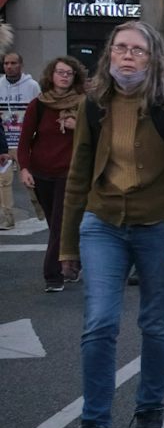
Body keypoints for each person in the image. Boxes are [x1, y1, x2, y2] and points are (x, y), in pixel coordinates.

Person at [60, 21, 164, 428]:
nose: (127, 56)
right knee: (99, 322)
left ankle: (149, 410)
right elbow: (78, 173)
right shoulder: (94, 103)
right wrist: (66, 246)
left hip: (158, 224)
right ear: (109, 54)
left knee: (155, 324)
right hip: (103, 223)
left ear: (152, 57)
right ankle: (94, 426)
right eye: (120, 48)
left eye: (137, 51)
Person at [19, 56, 87, 292]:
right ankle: (73, 262)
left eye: (69, 73)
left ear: (75, 77)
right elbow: (25, 139)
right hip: (41, 172)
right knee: (56, 225)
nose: (64, 76)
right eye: (60, 72)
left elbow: (98, 134)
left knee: (60, 224)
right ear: (51, 75)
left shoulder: (83, 104)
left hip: (70, 173)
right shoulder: (39, 104)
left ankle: (53, 275)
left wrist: (77, 125)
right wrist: (25, 168)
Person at [0, 47, 40, 229]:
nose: (9, 67)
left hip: (25, 142)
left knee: (31, 182)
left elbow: (39, 112)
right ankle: (8, 218)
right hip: (5, 142)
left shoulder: (32, 86)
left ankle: (42, 211)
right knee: (3, 183)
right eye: (6, 63)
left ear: (21, 65)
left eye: (13, 63)